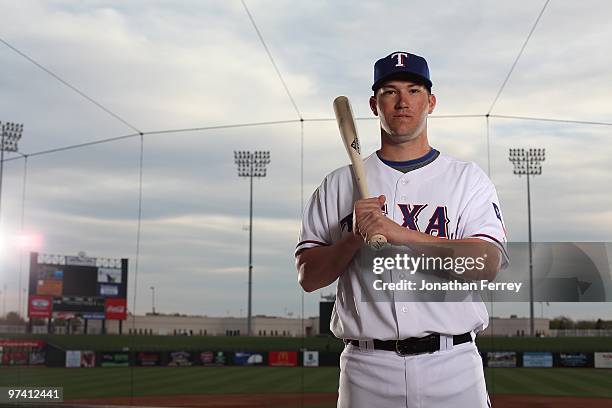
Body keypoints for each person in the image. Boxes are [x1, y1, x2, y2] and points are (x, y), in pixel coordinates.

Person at [295, 51, 509, 407]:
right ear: (374, 104)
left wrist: (402, 234)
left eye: (413, 90)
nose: (402, 102)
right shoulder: (337, 184)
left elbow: (487, 264)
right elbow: (309, 277)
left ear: (431, 101)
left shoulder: (467, 179)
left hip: (452, 364)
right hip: (366, 369)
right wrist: (352, 238)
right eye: (390, 92)